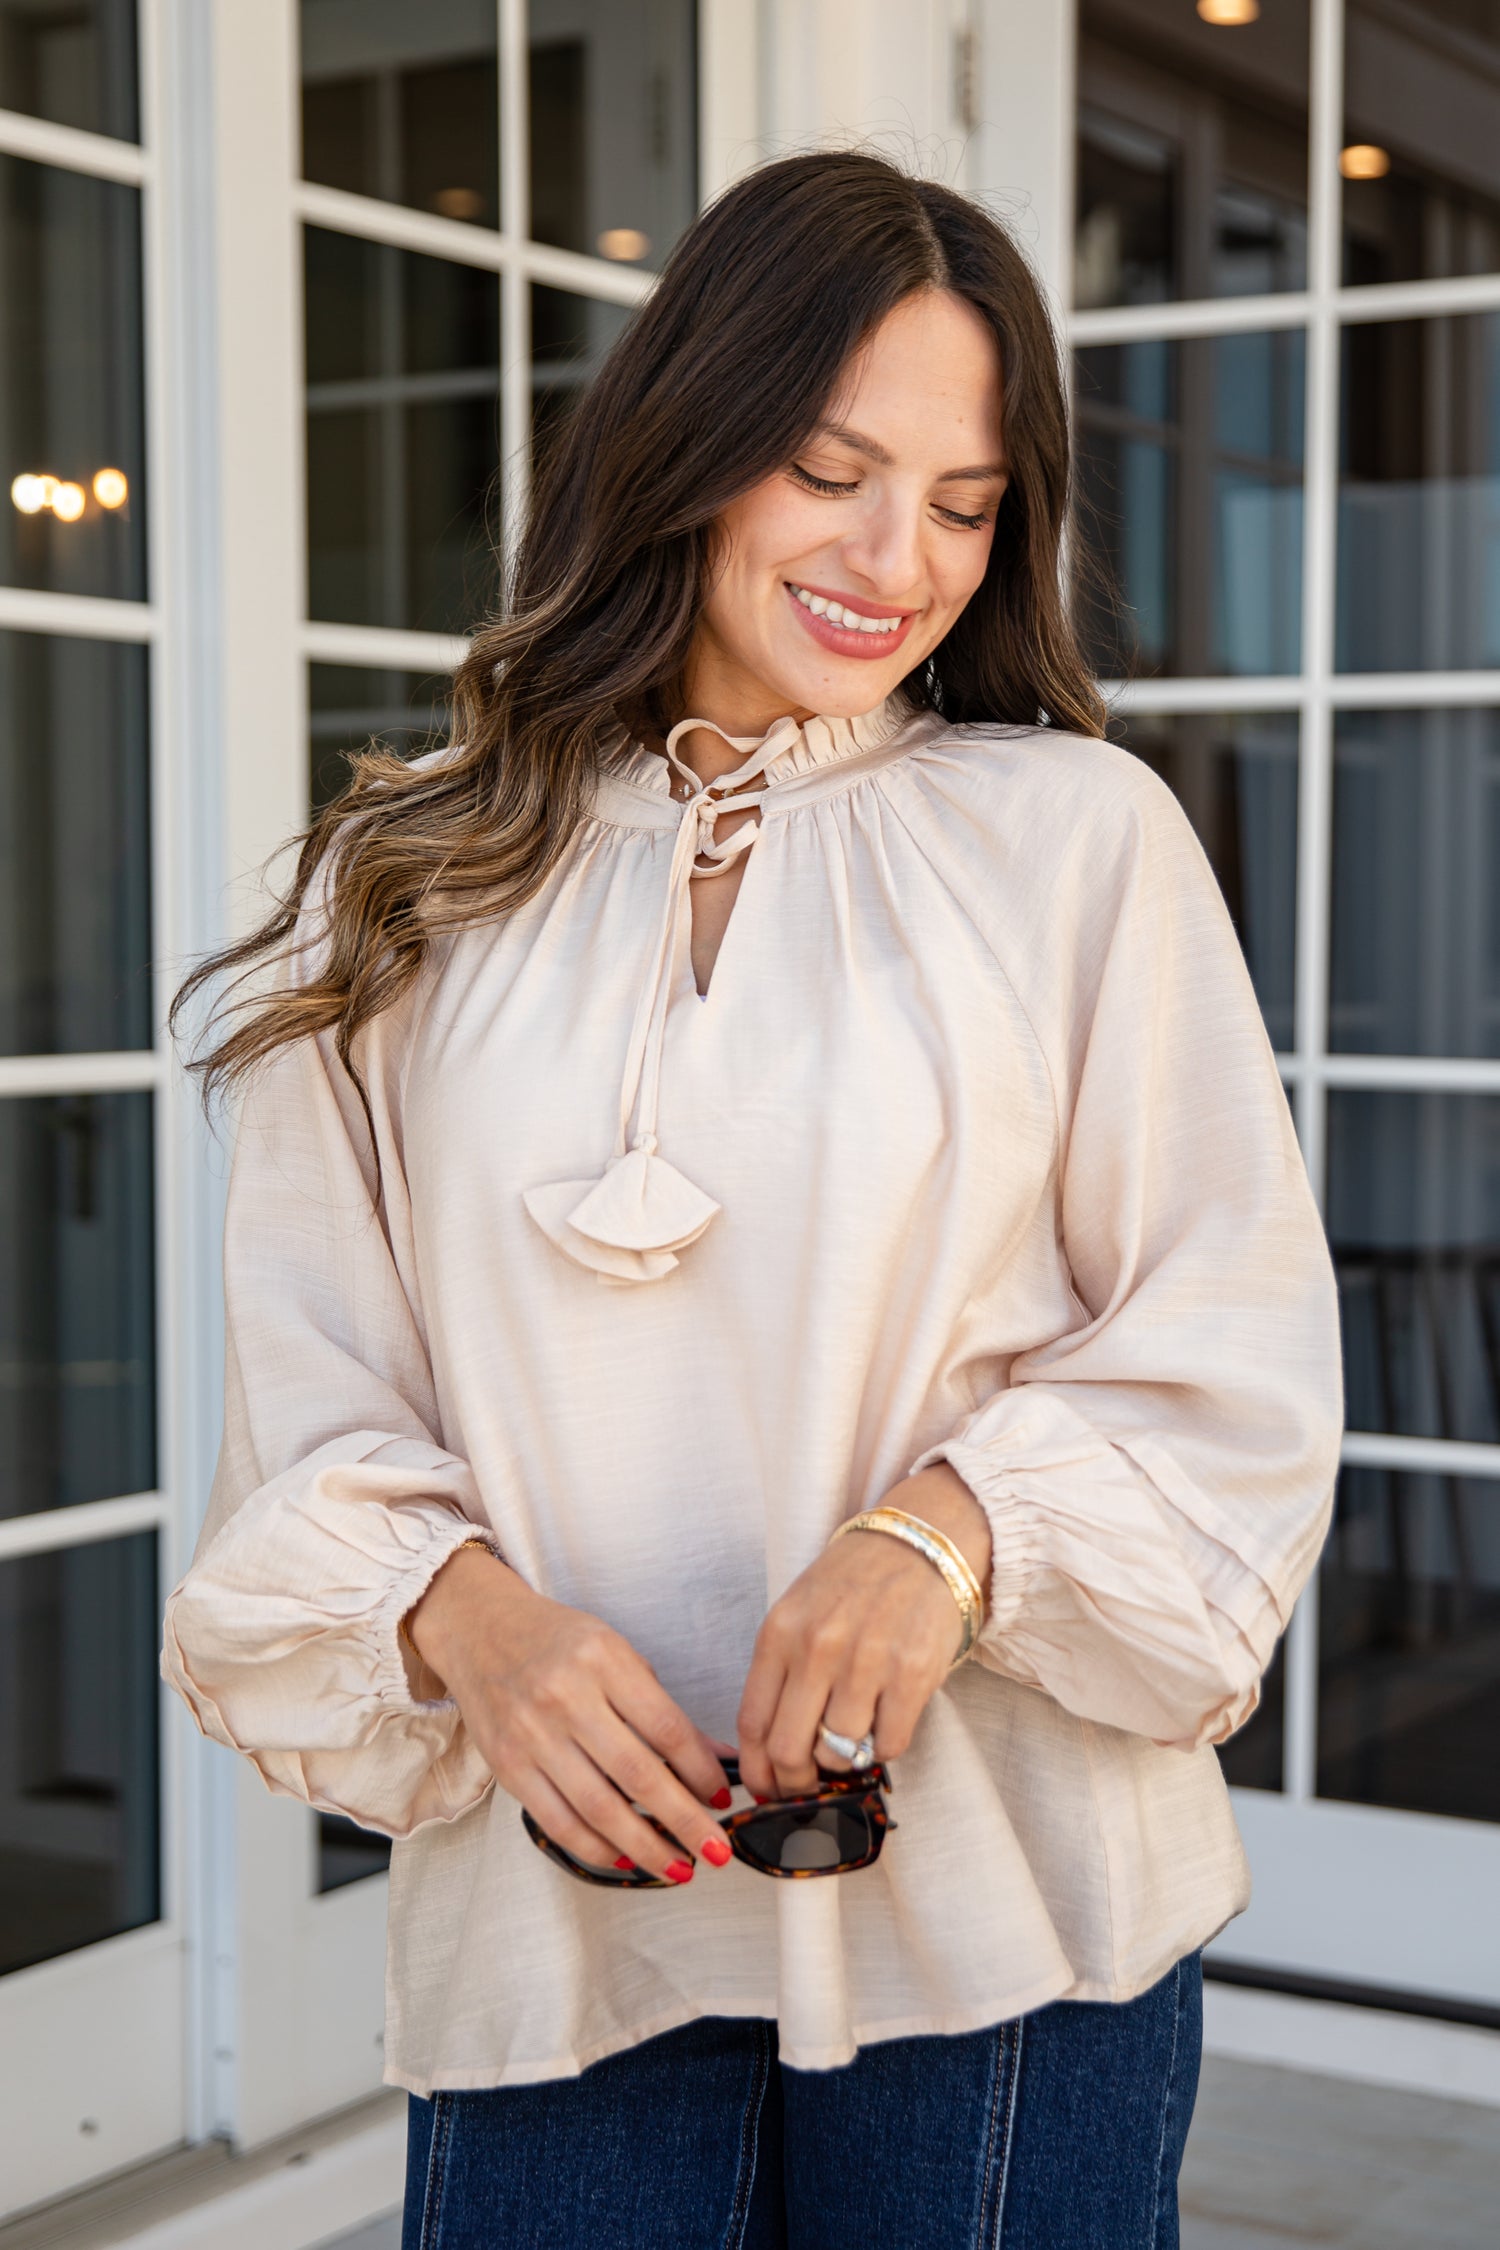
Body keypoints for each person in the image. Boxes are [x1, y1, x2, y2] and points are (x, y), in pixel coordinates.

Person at [161, 150, 1343, 2248]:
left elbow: (1229, 1351)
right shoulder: (409, 883)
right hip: (565, 1924)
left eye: (968, 506)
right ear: (691, 444)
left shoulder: (1078, 843)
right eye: (831, 469)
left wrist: (946, 1544)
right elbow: (308, 1402)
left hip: (1006, 1929)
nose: (903, 559)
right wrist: (473, 1622)